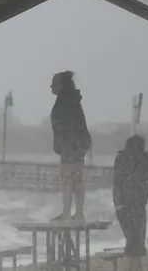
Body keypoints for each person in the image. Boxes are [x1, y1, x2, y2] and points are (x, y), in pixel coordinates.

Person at [50, 70, 91, 220]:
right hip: (77, 146)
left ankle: (68, 212)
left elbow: (65, 128)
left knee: (68, 180)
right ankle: (78, 212)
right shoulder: (72, 100)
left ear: (61, 85)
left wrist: (63, 145)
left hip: (70, 148)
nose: (51, 87)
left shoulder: (64, 103)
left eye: (53, 84)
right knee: (77, 180)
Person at [114, 135, 148, 271]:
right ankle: (135, 267)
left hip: (127, 205)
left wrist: (119, 203)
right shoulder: (144, 159)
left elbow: (118, 182)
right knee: (135, 244)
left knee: (134, 244)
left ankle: (134, 267)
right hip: (134, 205)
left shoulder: (123, 158)